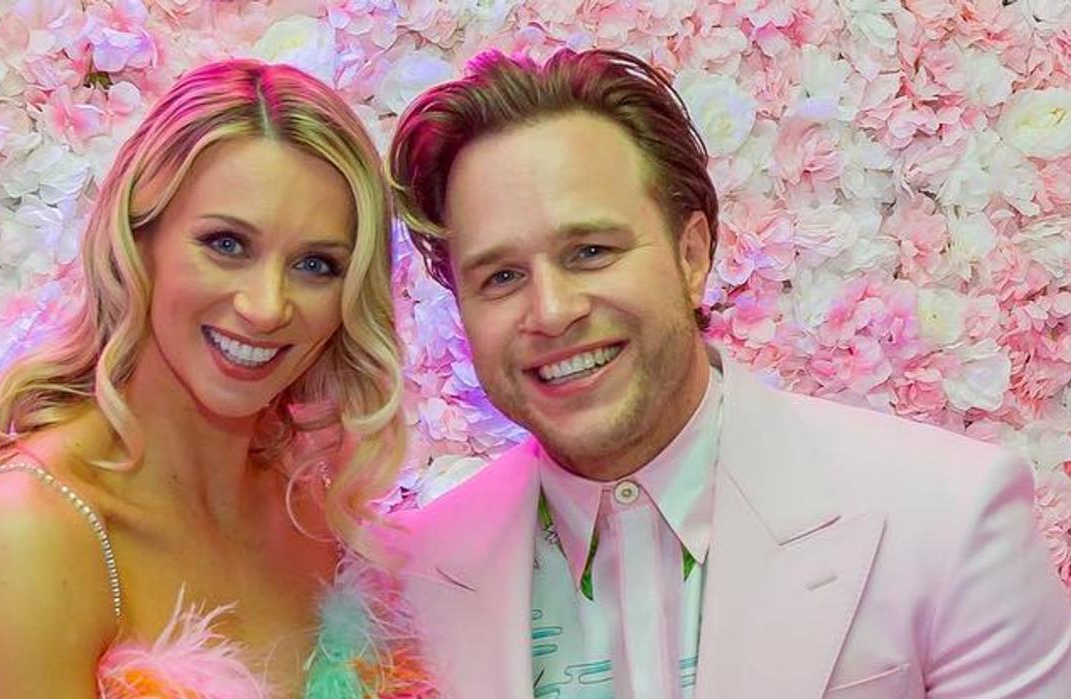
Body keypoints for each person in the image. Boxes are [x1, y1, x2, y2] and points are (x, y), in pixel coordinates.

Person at [385, 48, 1071, 698]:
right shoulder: (413, 579)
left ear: (692, 254)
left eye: (591, 250)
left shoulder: (948, 517)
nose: (553, 310)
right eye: (501, 276)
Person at [0, 59, 436, 698]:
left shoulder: (314, 505)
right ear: (140, 241)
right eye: (226, 244)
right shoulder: (24, 532)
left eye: (315, 264)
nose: (266, 306)